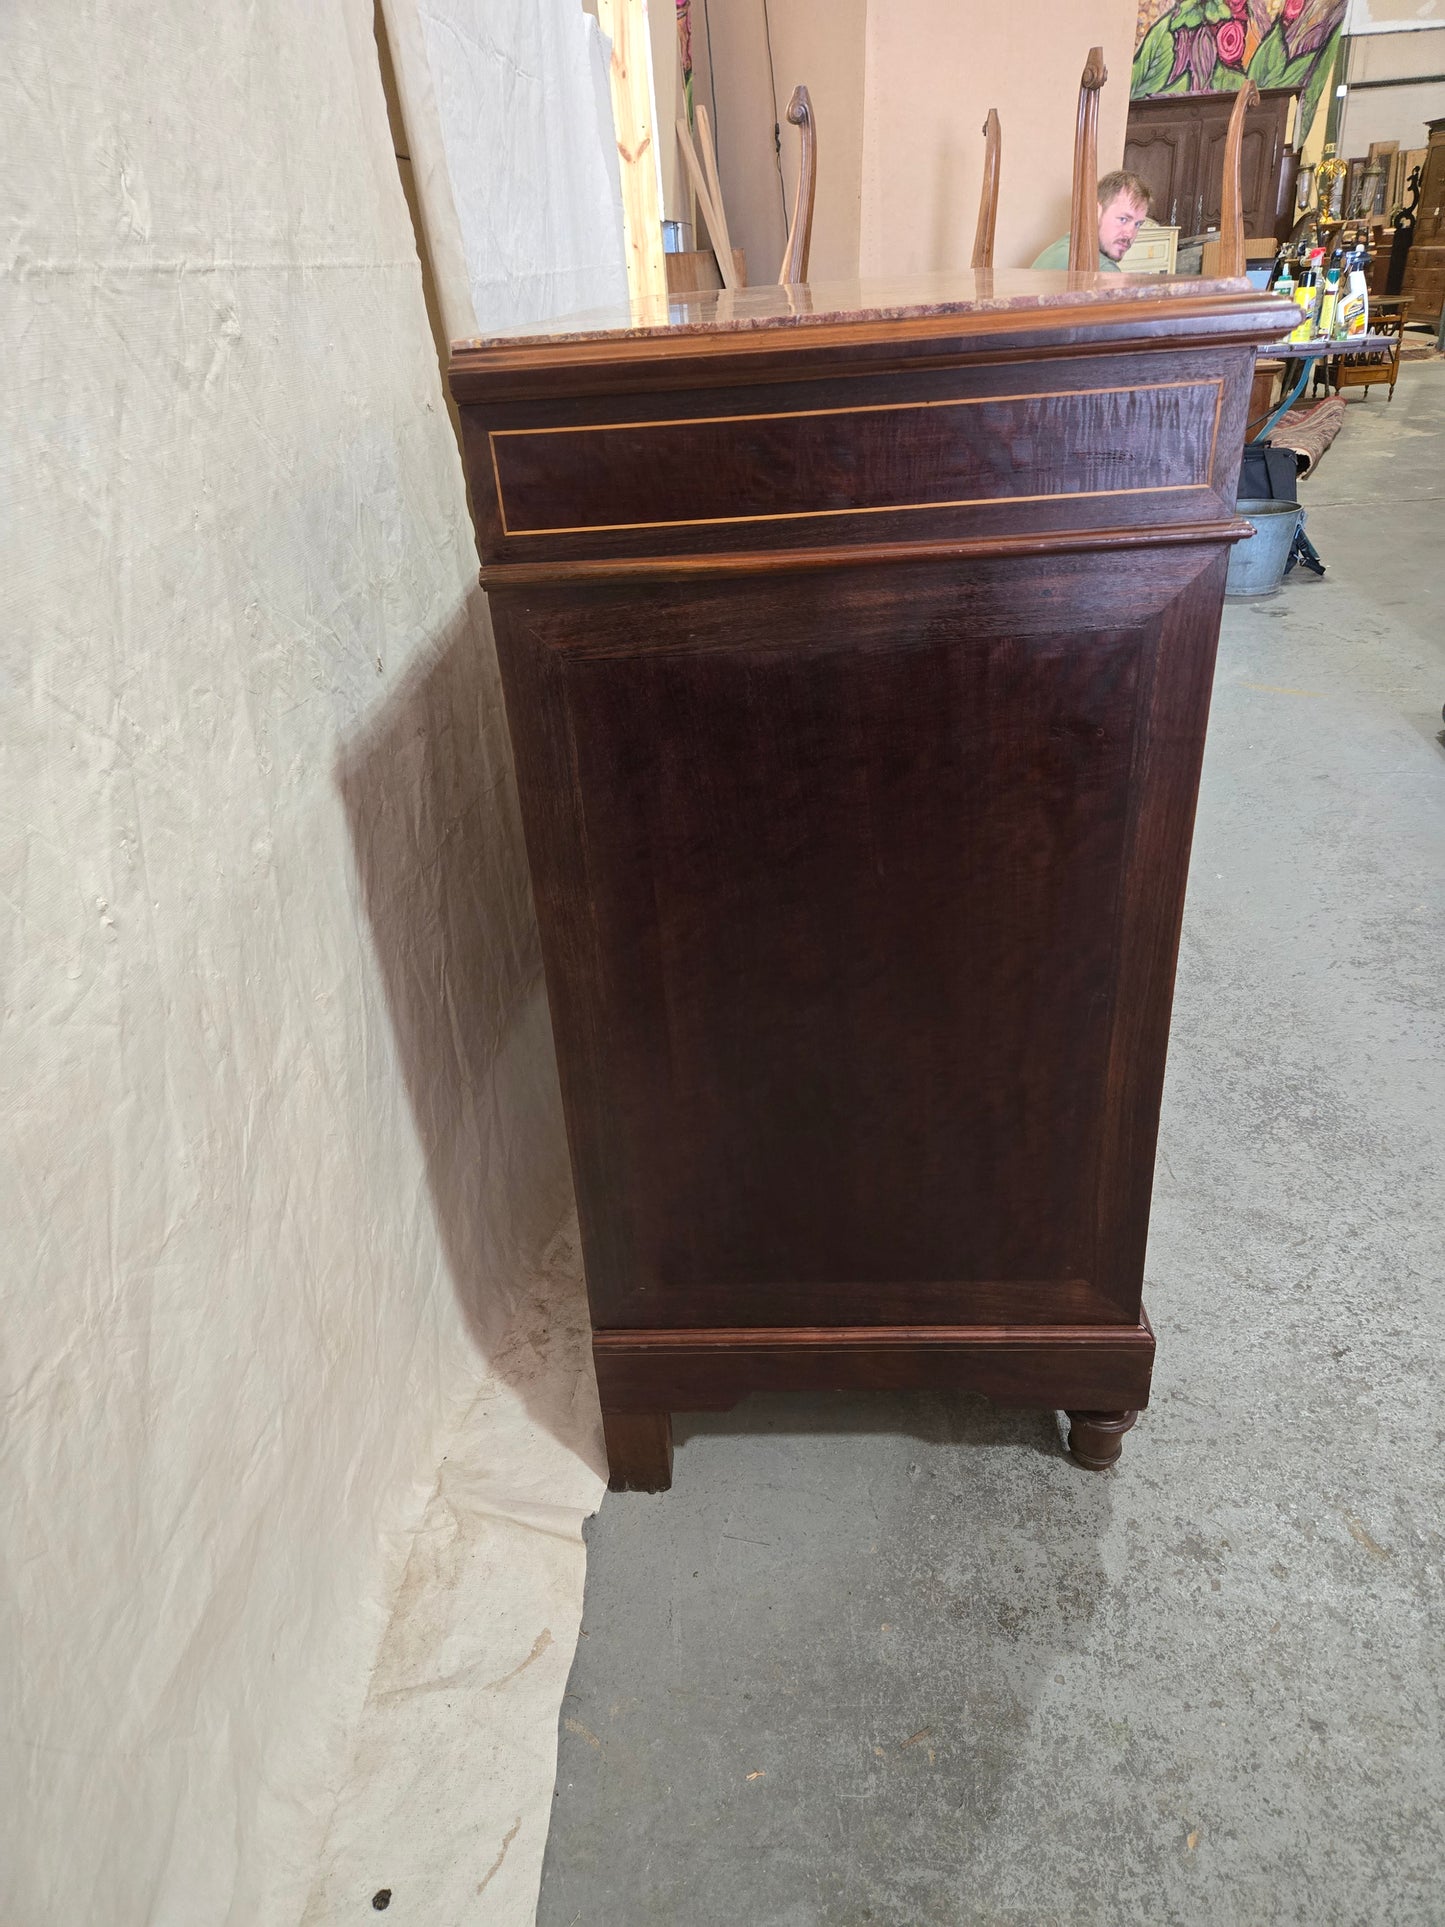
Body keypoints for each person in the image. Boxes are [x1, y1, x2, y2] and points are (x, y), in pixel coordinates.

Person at [1031, 171, 1151, 272]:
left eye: (1138, 224)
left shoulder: (1058, 249)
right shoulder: (1104, 271)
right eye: (1123, 219)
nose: (1130, 234)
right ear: (1095, 211)